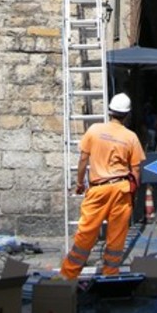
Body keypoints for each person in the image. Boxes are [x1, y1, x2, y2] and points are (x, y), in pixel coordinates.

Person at [60, 93, 145, 278]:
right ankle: (111, 274)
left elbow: (83, 159)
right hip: (121, 189)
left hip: (98, 189)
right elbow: (136, 170)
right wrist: (134, 192)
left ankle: (68, 275)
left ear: (109, 112)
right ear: (127, 115)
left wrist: (79, 183)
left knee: (86, 233)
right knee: (116, 235)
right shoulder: (131, 137)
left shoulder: (94, 130)